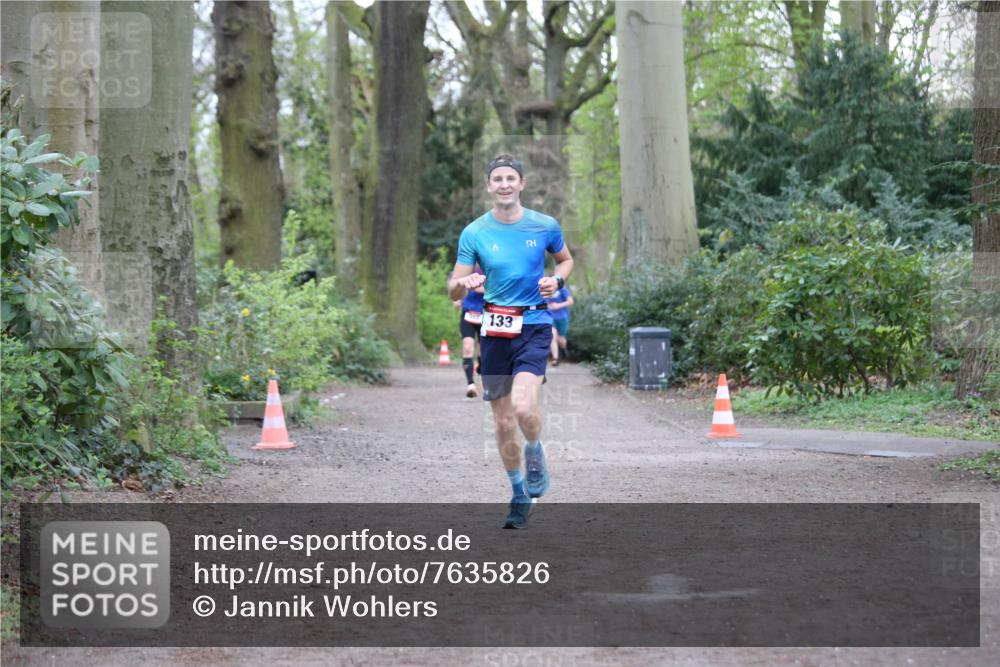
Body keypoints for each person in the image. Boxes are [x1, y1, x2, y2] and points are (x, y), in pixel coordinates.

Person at [447, 153, 574, 529]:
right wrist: (464, 283)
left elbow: (565, 260)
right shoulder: (474, 233)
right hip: (495, 331)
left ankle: (535, 451)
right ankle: (518, 493)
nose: (504, 184)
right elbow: (452, 289)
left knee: (523, 406)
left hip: (534, 323)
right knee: (503, 423)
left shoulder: (544, 225)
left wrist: (558, 280)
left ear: (521, 184)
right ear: (489, 186)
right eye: (497, 179)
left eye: (510, 178)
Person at [453, 266, 485, 398]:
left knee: (484, 352)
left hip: (486, 314)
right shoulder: (466, 267)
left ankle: (480, 371)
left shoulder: (491, 265)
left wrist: (476, 287)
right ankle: (470, 384)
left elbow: (493, 289)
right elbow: (456, 286)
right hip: (468, 314)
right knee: (467, 348)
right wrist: (457, 299)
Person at [546, 285, 574, 366]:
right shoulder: (545, 289)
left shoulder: (562, 289)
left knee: (561, 340)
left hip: (562, 317)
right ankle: (555, 359)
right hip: (550, 317)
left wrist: (558, 305)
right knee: (553, 335)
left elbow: (570, 301)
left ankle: (563, 352)